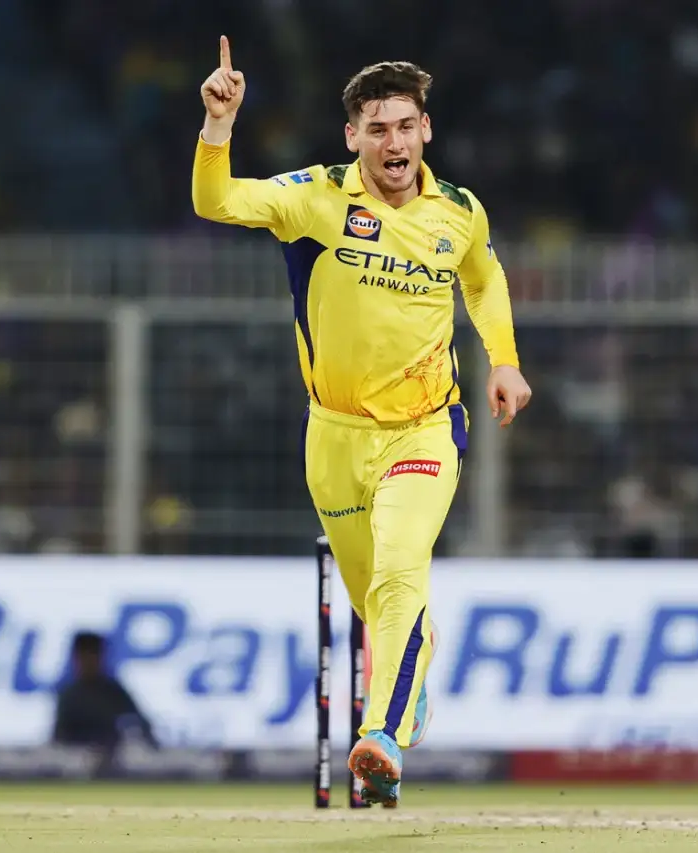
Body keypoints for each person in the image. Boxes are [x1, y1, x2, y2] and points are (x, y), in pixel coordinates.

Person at [191, 37, 531, 806]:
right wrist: (219, 126)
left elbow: (484, 278)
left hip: (425, 427)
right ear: (353, 137)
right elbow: (216, 201)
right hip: (334, 437)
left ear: (426, 130)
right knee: (374, 602)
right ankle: (410, 684)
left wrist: (504, 361)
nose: (394, 143)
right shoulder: (315, 199)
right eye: (377, 129)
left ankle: (381, 736)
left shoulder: (458, 211)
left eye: (405, 126)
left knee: (400, 570)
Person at [52, 632, 157, 749]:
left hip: (114, 756)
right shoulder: (69, 696)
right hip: (76, 756)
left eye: (93, 656)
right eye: (84, 657)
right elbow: (59, 738)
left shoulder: (114, 692)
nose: (89, 663)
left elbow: (141, 724)